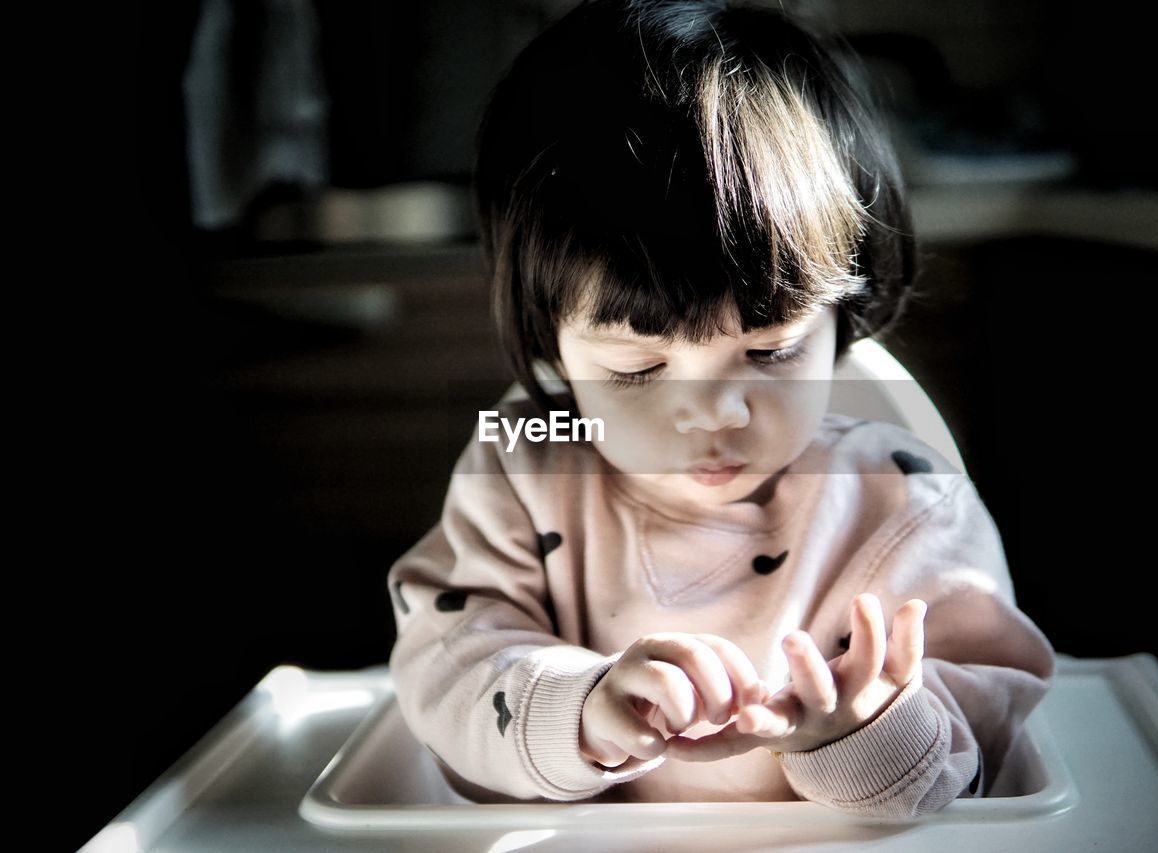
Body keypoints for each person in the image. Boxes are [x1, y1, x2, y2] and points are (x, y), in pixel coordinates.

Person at [387, 0, 1054, 817]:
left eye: (770, 351)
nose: (714, 414)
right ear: (551, 349)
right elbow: (445, 659)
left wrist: (866, 727)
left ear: (842, 321)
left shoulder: (905, 501)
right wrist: (583, 703)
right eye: (638, 367)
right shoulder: (526, 462)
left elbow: (987, 733)